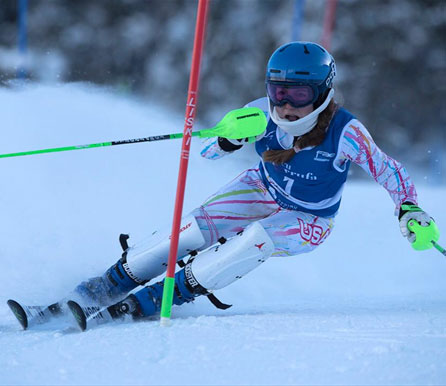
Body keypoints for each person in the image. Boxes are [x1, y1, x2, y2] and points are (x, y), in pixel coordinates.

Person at [71, 41, 440, 320]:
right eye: (279, 91)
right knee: (191, 230)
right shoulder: (258, 113)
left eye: (299, 94)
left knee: (255, 239)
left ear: (323, 92)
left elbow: (388, 170)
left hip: (309, 218)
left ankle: (160, 299)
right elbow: (207, 153)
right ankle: (107, 285)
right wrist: (227, 139)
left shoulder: (346, 132)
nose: (286, 105)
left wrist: (409, 209)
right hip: (260, 187)